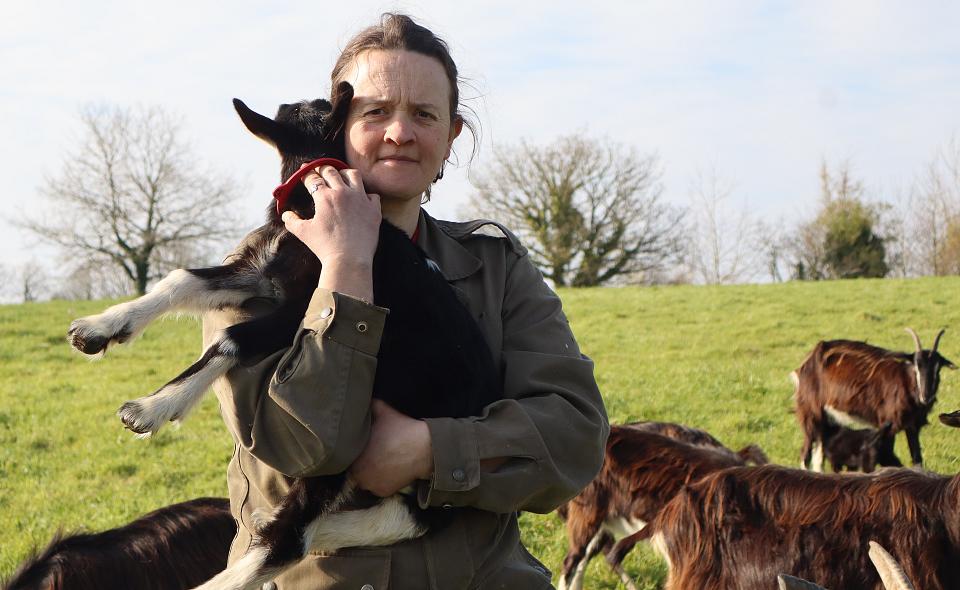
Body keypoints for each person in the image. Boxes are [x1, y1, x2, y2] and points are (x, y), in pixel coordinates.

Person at [204, 13, 609, 589]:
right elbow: (306, 444)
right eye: (375, 112)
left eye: (424, 114)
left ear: (452, 137)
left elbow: (574, 437)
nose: (400, 132)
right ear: (335, 127)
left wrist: (431, 450)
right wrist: (345, 268)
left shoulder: (495, 266)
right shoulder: (253, 274)